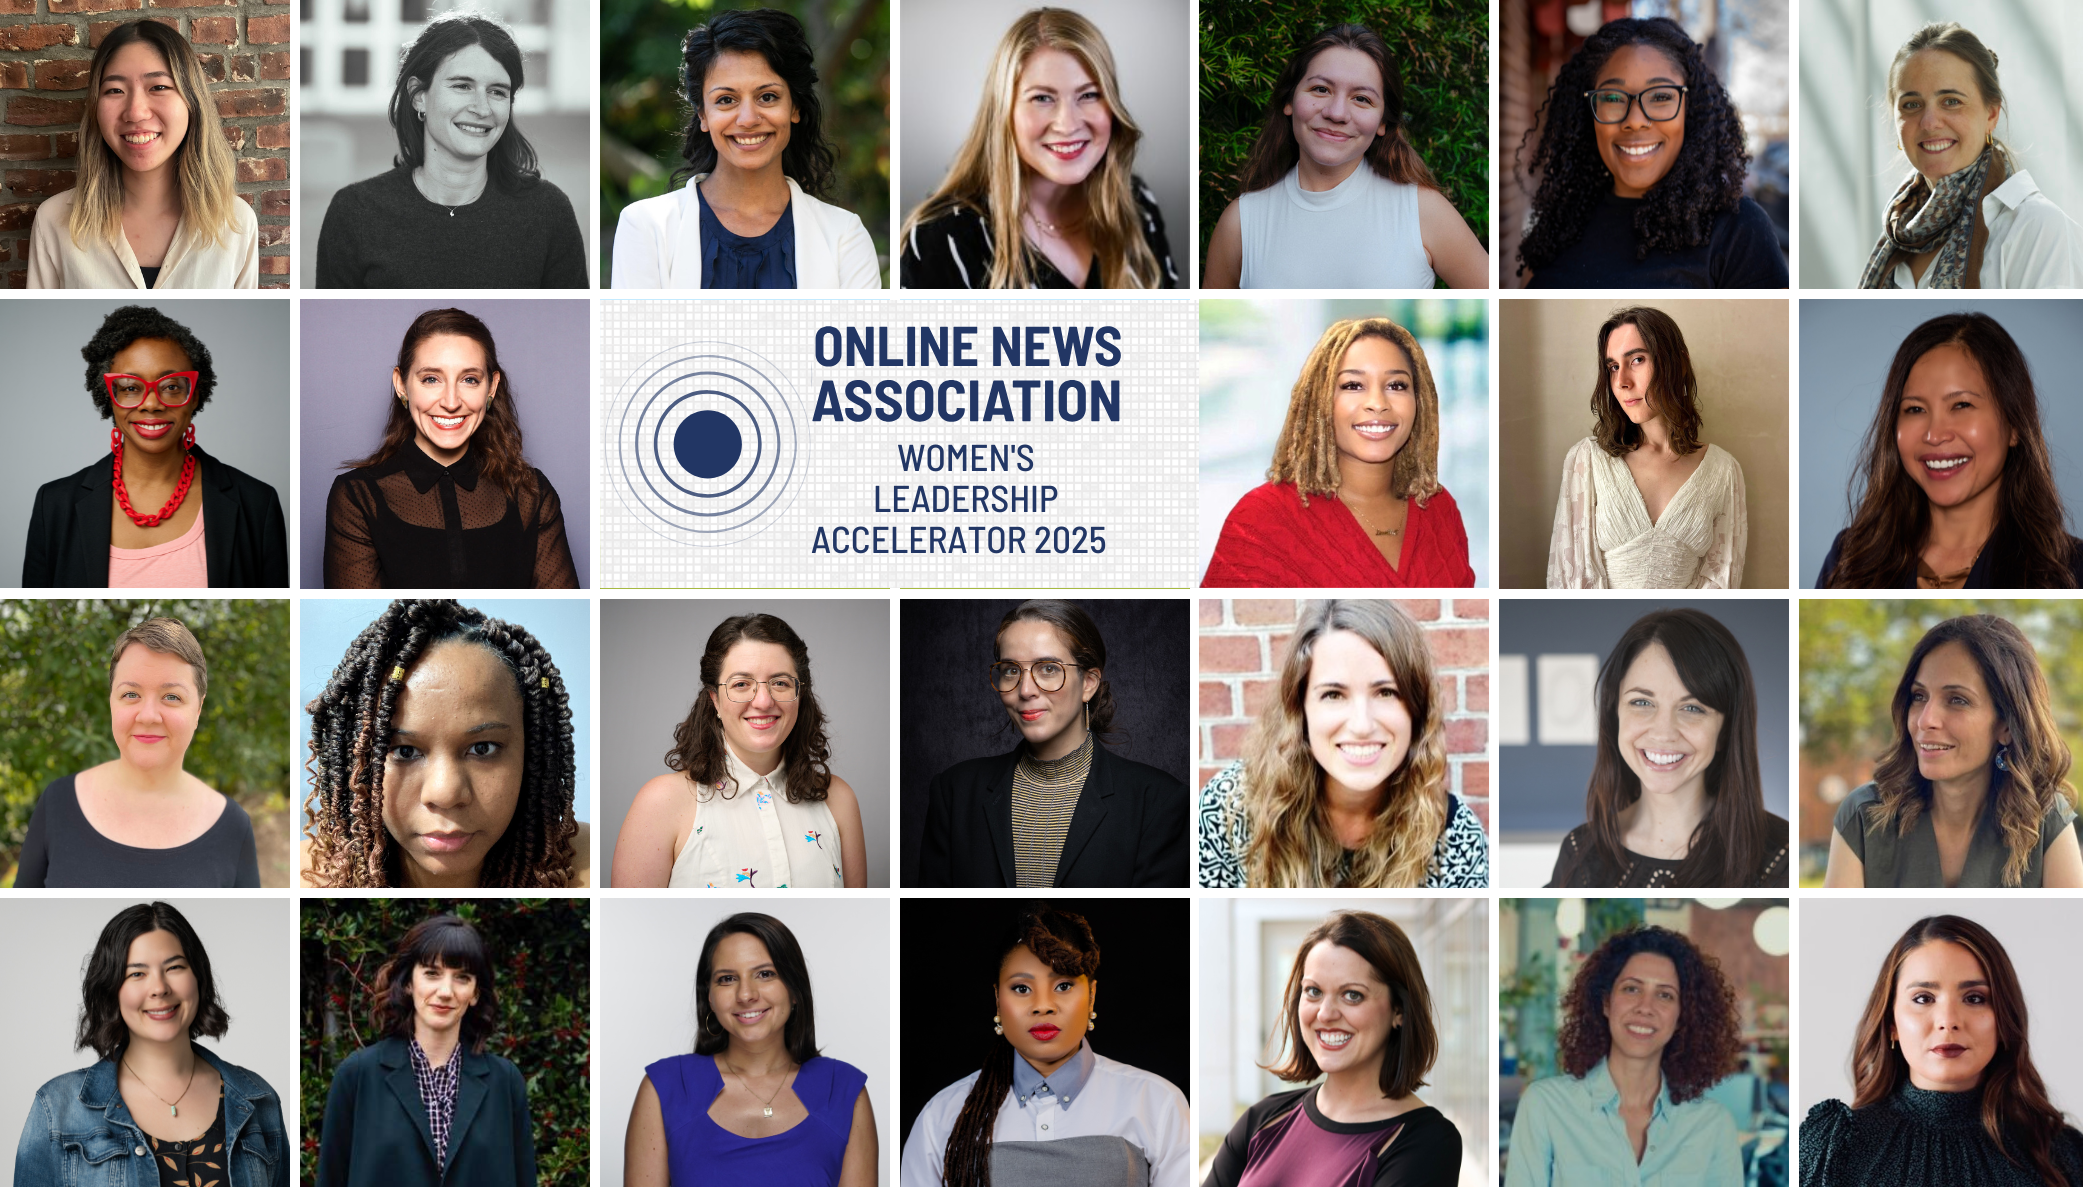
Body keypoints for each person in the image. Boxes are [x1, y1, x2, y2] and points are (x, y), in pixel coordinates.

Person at [1198, 600, 1489, 889]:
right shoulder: (1229, 807)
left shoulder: (1457, 838)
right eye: (1334, 695)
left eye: (1386, 692)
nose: (1362, 725)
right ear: (1300, 709)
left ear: (1416, 708)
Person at [301, 599, 588, 889]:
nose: (446, 793)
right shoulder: (301, 881)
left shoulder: (588, 870)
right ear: (357, 764)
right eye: (405, 751)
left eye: (482, 748)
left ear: (531, 754)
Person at [900, 904, 1190, 1187]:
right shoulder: (941, 1117)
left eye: (1063, 986)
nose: (1042, 1006)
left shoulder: (1156, 1103)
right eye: (1022, 988)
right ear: (998, 1000)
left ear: (1091, 996)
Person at [900, 8, 1176, 289]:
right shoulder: (943, 237)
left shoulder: (1135, 203)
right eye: (1042, 98)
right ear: (1003, 110)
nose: (1067, 124)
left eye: (1089, 95)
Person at [16, 902, 288, 1186]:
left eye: (174, 967)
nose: (159, 988)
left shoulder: (259, 1100)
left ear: (198, 976)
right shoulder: (56, 1109)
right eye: (137, 973)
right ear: (112, 989)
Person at [917, 600, 1185, 887]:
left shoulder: (1159, 801)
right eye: (1010, 670)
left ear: (1089, 683)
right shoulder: (954, 792)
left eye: (1047, 668)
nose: (1026, 690)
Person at [1801, 915, 2083, 1186]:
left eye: (1974, 998)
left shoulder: (2062, 1154)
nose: (1948, 1021)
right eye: (1923, 998)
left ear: (2005, 1019)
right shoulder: (1834, 1148)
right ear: (1891, 1024)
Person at [1202, 24, 1486, 289]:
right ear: (1289, 101)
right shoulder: (1241, 222)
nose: (1336, 113)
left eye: (1361, 98)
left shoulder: (1423, 211)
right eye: (1321, 89)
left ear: (1383, 122)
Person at [24, 305, 288, 587]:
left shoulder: (257, 503)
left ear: (195, 395)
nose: (151, 403)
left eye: (171, 386)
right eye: (130, 387)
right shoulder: (53, 504)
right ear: (109, 396)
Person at [613, 9, 879, 289]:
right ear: (703, 115)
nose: (748, 119)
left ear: (795, 107)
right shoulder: (645, 228)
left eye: (767, 97)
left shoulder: (845, 238)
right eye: (726, 100)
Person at [315, 13, 586, 288]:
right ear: (419, 96)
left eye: (497, 92)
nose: (482, 108)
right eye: (462, 86)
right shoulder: (355, 213)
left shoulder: (548, 212)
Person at [1202, 318, 1475, 587]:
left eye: (1396, 385)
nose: (1377, 403)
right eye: (1353, 385)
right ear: (1320, 401)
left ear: (1420, 400)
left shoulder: (1438, 506)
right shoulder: (1260, 518)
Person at [1817, 312, 2083, 588]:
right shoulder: (1849, 557)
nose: (1934, 435)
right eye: (1915, 409)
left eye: (1961, 405)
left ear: (2014, 424)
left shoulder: (2073, 570)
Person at [1516, 18, 1785, 288]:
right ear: (1589, 114)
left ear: (1690, 110)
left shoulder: (1738, 231)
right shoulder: (1559, 225)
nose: (1634, 120)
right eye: (1612, 98)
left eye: (1659, 97)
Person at [323, 307, 580, 588]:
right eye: (431, 379)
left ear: (491, 387)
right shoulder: (358, 496)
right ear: (402, 385)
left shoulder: (532, 493)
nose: (451, 401)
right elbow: (371, 625)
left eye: (469, 379)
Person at [1203, 911, 1461, 1187]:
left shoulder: (1428, 1142)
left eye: (1352, 995)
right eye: (1313, 991)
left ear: (1399, 1010)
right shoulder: (1261, 1119)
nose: (1325, 1014)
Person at [1824, 615, 2082, 889]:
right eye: (1919, 696)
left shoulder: (2045, 816)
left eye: (1957, 700)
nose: (1925, 720)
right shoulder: (1863, 816)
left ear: (2006, 726)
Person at [613, 614, 868, 888]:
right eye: (741, 684)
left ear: (799, 694)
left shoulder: (839, 800)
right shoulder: (660, 803)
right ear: (715, 700)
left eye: (780, 682)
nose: (763, 701)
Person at [624, 913, 878, 1187]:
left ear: (794, 989)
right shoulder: (666, 1088)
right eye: (727, 979)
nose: (746, 994)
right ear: (709, 996)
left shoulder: (843, 1090)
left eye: (765, 974)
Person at [1545, 609, 1786, 888]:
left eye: (1692, 708)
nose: (1663, 733)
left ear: (1725, 731)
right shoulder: (1581, 853)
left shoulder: (1782, 857)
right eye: (1642, 703)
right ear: (1615, 714)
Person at [15, 618, 260, 888]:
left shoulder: (234, 828)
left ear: (198, 710)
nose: (148, 716)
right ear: (111, 701)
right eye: (131, 694)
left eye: (172, 697)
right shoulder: (56, 804)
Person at [1507, 926, 1744, 1187]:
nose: (1645, 1007)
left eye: (1665, 995)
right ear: (1607, 1002)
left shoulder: (1712, 1126)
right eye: (1632, 989)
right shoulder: (1545, 1107)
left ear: (1681, 1018)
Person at [27, 22, 256, 289]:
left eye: (158, 87)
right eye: (115, 90)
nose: (135, 112)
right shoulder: (53, 222)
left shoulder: (237, 223)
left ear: (191, 101)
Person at [316, 914, 538, 1187]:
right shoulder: (357, 1075)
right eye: (432, 973)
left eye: (462, 977)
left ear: (476, 993)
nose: (445, 991)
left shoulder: (505, 1081)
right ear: (408, 982)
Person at [1860, 24, 2083, 288]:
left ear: (1991, 114)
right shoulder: (1897, 234)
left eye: (1951, 101)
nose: (1930, 122)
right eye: (1912, 105)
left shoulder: (2038, 229)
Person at [1547, 307, 1747, 588]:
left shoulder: (1724, 471)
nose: (1622, 382)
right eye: (1613, 367)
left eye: (1637, 360)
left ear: (1678, 363)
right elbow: (1571, 582)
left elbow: (1722, 581)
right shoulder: (1588, 461)